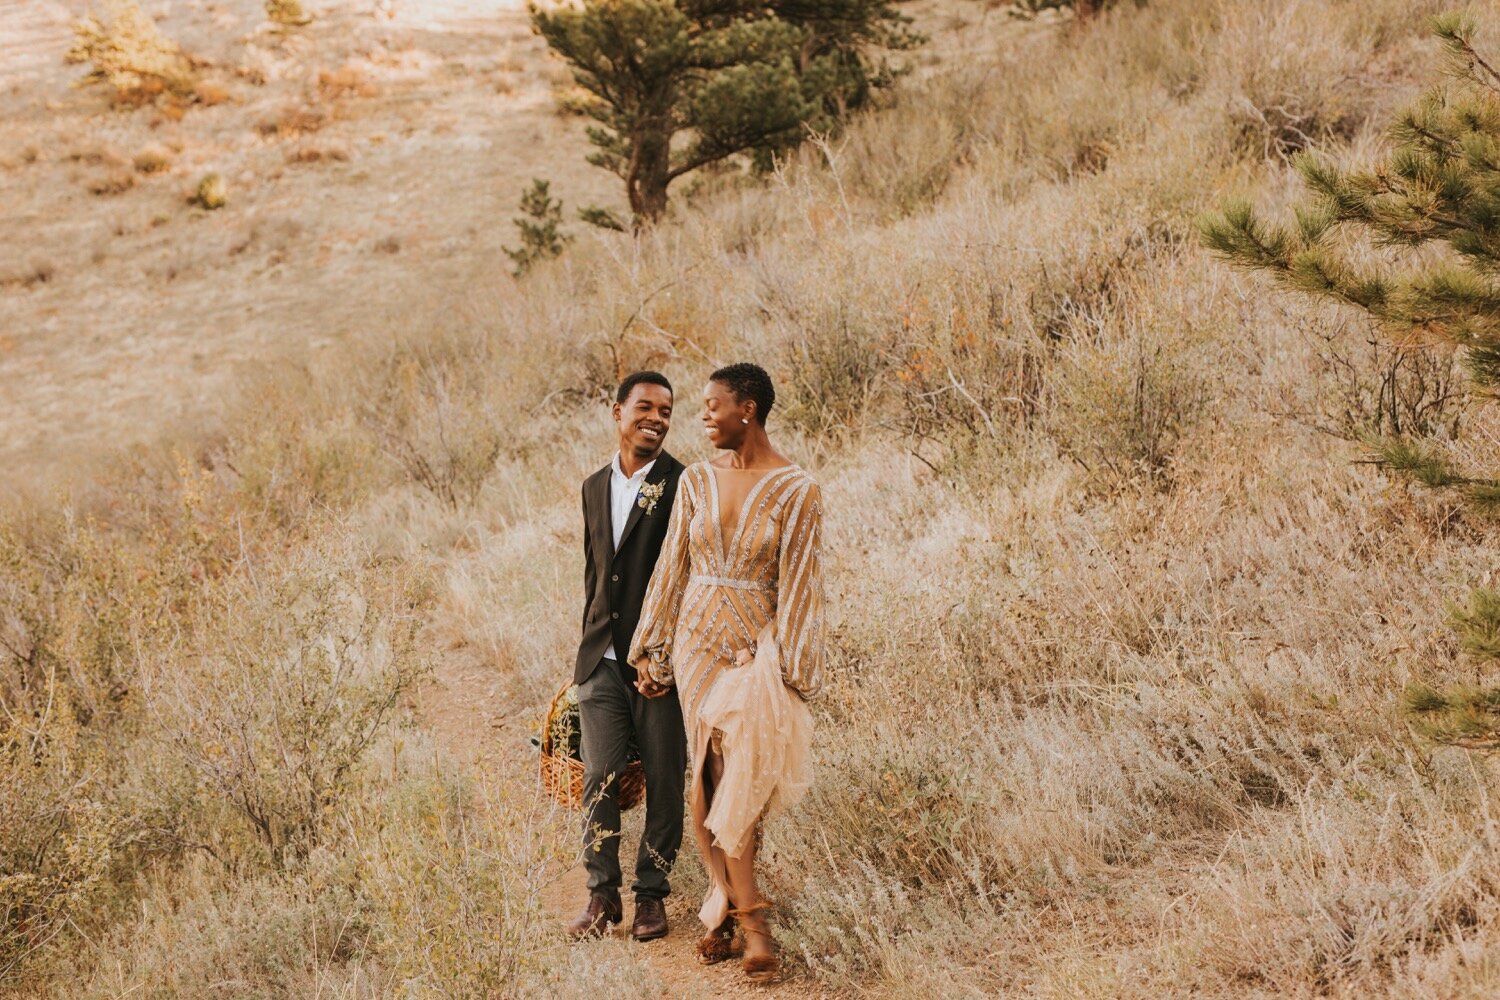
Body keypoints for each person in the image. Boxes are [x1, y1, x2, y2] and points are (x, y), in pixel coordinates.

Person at [629, 362, 824, 983]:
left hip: (752, 648)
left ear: (750, 409)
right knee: (711, 771)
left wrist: (794, 669)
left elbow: (801, 586)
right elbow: (671, 567)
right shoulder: (695, 482)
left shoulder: (798, 489)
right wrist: (653, 646)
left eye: (714, 406)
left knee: (739, 774)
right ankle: (741, 915)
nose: (704, 417)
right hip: (696, 642)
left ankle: (737, 912)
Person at [567, 371, 688, 942]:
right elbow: (595, 574)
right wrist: (585, 662)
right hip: (600, 666)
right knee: (600, 778)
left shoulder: (684, 484)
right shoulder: (593, 486)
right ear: (617, 412)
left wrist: (665, 655)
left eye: (666, 411)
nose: (657, 418)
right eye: (645, 407)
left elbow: (687, 575)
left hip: (659, 667)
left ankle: (651, 897)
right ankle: (601, 894)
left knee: (665, 781)